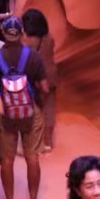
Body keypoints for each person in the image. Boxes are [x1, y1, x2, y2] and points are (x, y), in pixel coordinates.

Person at [0, 16, 50, 199]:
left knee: (7, 160)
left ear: (3, 34)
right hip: (30, 112)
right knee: (32, 157)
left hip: (5, 114)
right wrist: (38, 103)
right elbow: (45, 88)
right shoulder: (33, 57)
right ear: (21, 33)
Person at [21, 8, 59, 152]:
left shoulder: (29, 40)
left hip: (37, 78)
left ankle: (35, 143)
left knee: (35, 111)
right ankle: (48, 142)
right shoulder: (48, 37)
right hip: (52, 77)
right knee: (49, 110)